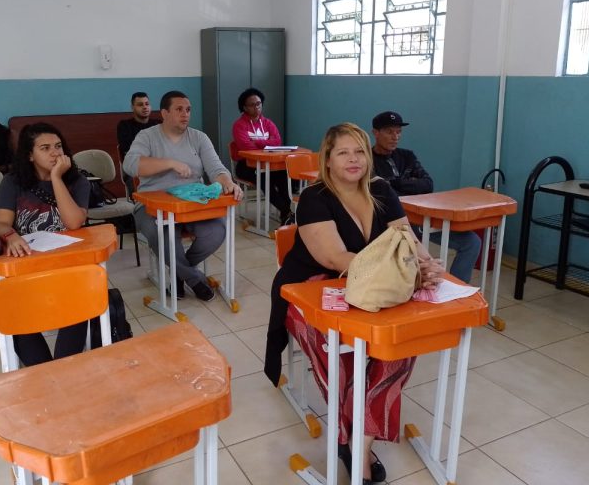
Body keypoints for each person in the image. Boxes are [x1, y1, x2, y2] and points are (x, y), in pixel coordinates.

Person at [265, 123, 444, 484]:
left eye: (360, 151)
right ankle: (355, 446)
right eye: (343, 152)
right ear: (328, 160)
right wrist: (404, 275)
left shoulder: (382, 189)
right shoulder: (314, 196)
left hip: (379, 288)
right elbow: (336, 258)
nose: (353, 159)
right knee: (341, 355)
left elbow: (407, 239)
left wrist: (426, 265)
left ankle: (357, 443)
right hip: (309, 288)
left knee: (399, 346)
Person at [123, 90, 243, 301]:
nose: (185, 114)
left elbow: (216, 169)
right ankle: (195, 279)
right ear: (164, 113)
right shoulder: (147, 136)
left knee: (217, 230)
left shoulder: (199, 137)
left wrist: (228, 182)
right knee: (163, 235)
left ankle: (180, 274)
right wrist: (170, 163)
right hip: (153, 205)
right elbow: (131, 165)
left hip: (192, 203)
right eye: (179, 109)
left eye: (188, 109)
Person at [0, 122, 91, 366]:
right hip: (28, 267)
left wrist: (56, 178)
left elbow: (74, 222)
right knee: (13, 309)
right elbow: (0, 224)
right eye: (45, 148)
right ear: (30, 155)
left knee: (79, 302)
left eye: (58, 146)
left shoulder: (78, 181)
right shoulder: (12, 182)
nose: (55, 153)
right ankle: (44, 371)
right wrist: (10, 235)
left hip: (68, 267)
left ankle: (60, 370)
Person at [371, 111, 481, 283]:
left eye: (399, 132)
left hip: (421, 218)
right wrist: (408, 184)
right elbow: (381, 194)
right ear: (376, 133)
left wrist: (395, 182)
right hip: (392, 223)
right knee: (410, 254)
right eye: (389, 132)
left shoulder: (407, 156)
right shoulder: (367, 160)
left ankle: (457, 287)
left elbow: (427, 184)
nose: (395, 137)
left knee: (472, 242)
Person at [231, 87, 293, 224]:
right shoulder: (239, 125)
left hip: (268, 164)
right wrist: (267, 144)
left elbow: (277, 142)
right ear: (244, 107)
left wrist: (256, 142)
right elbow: (245, 146)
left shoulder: (268, 123)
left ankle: (286, 214)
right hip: (246, 165)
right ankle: (287, 212)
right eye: (252, 105)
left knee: (283, 174)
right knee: (265, 178)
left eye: (259, 103)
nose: (256, 107)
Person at [117, 92, 161, 198]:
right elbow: (128, 150)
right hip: (135, 169)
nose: (145, 107)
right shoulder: (125, 126)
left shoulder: (158, 125)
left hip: (159, 167)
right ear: (133, 107)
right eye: (140, 104)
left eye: (147, 104)